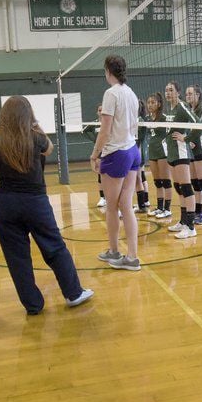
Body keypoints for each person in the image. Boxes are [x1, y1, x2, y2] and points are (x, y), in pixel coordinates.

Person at [0, 95, 93, 315]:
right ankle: (73, 293)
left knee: (16, 257)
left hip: (6, 204)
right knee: (55, 247)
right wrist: (34, 122)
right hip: (35, 203)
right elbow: (50, 147)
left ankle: (33, 305)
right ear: (28, 115)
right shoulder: (36, 138)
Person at [90, 55, 141, 271]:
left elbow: (105, 129)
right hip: (132, 150)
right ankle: (132, 257)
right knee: (125, 205)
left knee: (112, 206)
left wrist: (95, 154)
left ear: (108, 70)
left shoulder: (111, 94)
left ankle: (114, 251)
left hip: (117, 153)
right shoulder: (131, 93)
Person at [164, 80, 198, 239]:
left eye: (171, 90)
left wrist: (187, 137)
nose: (168, 93)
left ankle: (191, 227)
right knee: (178, 188)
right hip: (171, 153)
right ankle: (183, 221)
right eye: (166, 90)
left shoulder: (182, 106)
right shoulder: (169, 109)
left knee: (186, 187)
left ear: (178, 92)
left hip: (182, 152)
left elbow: (197, 122)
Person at [184, 84, 202, 224]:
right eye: (187, 94)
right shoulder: (189, 109)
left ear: (198, 95)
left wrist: (187, 139)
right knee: (195, 183)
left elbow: (200, 128)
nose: (188, 96)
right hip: (191, 149)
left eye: (190, 94)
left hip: (201, 149)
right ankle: (198, 211)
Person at [144, 92, 173, 218]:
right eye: (149, 102)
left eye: (153, 102)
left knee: (166, 181)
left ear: (159, 104)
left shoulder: (165, 118)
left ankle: (167, 209)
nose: (150, 105)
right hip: (152, 152)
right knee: (157, 182)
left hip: (162, 152)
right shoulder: (148, 118)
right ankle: (160, 207)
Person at [82, 104, 106, 208]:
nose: (101, 112)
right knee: (100, 175)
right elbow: (84, 131)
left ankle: (111, 197)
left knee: (110, 176)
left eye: (102, 110)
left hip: (110, 150)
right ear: (97, 112)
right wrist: (95, 140)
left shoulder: (109, 122)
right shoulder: (95, 124)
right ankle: (102, 198)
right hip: (100, 152)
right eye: (99, 110)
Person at [133, 99, 150, 213]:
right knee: (139, 178)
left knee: (138, 179)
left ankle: (142, 205)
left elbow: (138, 140)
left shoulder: (138, 121)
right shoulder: (138, 120)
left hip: (137, 152)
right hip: (138, 152)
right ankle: (142, 203)